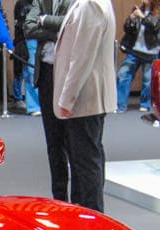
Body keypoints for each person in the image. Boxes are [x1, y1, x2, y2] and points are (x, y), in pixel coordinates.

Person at [50, 0, 114, 212]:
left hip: (84, 99)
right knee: (84, 161)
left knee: (86, 165)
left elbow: (82, 57)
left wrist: (67, 98)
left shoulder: (91, 5)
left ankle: (92, 217)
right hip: (87, 99)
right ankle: (84, 213)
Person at [24, 0, 72, 199]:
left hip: (68, 74)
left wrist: (43, 21)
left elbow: (72, 25)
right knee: (53, 142)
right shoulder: (40, 0)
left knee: (72, 142)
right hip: (46, 75)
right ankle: (59, 197)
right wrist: (56, 33)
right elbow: (28, 27)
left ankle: (78, 200)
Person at [115, 0, 160, 113]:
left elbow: (155, 27)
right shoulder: (139, 9)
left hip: (150, 52)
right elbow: (128, 29)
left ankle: (145, 103)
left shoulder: (159, 12)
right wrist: (131, 18)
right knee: (123, 75)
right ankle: (120, 105)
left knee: (147, 80)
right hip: (134, 50)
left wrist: (143, 17)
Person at [11, 0, 39, 115]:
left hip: (33, 39)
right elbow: (23, 25)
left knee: (31, 72)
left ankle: (34, 105)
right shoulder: (24, 4)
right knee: (31, 72)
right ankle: (34, 105)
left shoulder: (27, 4)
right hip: (29, 39)